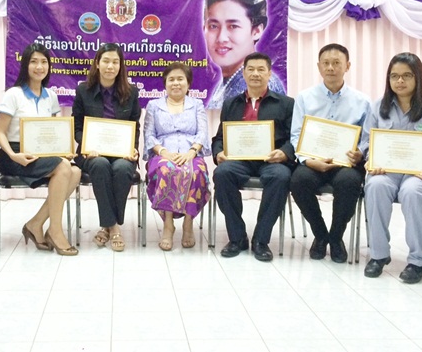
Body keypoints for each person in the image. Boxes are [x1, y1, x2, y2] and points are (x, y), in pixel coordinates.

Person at [360, 52, 422, 284]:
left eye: (407, 76)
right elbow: (367, 142)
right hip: (386, 171)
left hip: (421, 174)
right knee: (376, 186)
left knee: (412, 191)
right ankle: (378, 255)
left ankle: (418, 262)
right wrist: (370, 161)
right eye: (394, 76)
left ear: (418, 77)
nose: (400, 81)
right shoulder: (377, 106)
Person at [0, 43, 81, 256]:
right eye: (34, 62)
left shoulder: (50, 96)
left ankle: (35, 223)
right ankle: (55, 230)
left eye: (44, 62)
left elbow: (53, 131)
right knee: (63, 168)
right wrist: (13, 155)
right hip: (14, 154)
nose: (39, 67)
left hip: (42, 152)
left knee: (76, 170)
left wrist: (63, 150)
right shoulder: (13, 94)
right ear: (25, 65)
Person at [290, 44, 370, 263]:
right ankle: (320, 234)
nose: (331, 68)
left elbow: (367, 138)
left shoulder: (362, 101)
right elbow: (296, 135)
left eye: (336, 63)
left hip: (346, 164)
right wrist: (308, 160)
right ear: (319, 66)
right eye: (326, 63)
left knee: (349, 183)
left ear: (347, 66)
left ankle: (336, 237)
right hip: (313, 161)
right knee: (298, 181)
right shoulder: (305, 98)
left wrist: (360, 153)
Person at [212, 52, 295, 262]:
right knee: (222, 173)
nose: (255, 74)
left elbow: (294, 138)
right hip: (239, 161)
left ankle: (261, 239)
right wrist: (219, 152)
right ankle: (237, 237)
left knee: (280, 177)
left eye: (261, 70)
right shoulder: (230, 103)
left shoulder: (286, 104)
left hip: (271, 160)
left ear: (269, 73)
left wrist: (284, 153)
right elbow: (219, 138)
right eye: (251, 69)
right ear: (244, 73)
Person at [72, 43, 140, 252]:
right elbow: (77, 126)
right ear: (97, 63)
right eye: (106, 61)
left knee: (122, 168)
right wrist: (86, 146)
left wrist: (133, 148)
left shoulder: (131, 92)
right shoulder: (83, 90)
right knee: (100, 165)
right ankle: (115, 227)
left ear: (121, 66)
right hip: (92, 153)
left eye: (115, 62)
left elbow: (135, 126)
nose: (111, 66)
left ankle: (106, 226)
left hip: (122, 153)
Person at [143, 62, 211, 251]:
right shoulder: (154, 105)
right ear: (165, 83)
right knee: (167, 169)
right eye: (171, 79)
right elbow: (149, 134)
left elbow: (202, 132)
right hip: (163, 153)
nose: (176, 83)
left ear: (188, 83)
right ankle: (168, 224)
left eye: (180, 79)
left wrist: (191, 153)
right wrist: (164, 153)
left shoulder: (197, 105)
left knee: (196, 171)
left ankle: (188, 223)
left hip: (191, 153)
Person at [203, 0, 286, 109]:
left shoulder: (260, 84)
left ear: (256, 31)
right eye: (213, 26)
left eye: (233, 26)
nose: (221, 38)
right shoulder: (227, 81)